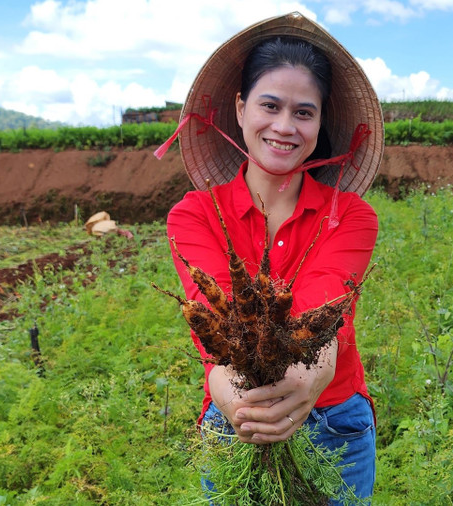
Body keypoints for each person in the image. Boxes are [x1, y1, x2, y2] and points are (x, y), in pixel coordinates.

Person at [157, 12, 384, 502]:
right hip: (236, 413)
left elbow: (323, 312)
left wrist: (311, 375)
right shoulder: (194, 215)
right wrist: (238, 397)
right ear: (240, 109)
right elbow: (217, 319)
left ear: (320, 123)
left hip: (334, 422)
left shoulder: (352, 216)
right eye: (270, 105)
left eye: (304, 112)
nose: (285, 126)